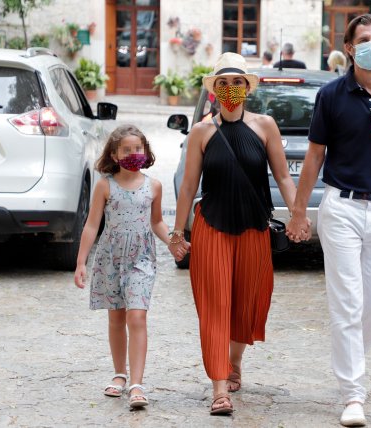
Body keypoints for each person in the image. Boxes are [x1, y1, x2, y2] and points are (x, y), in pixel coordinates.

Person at [287, 13, 371, 427]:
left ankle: (352, 366)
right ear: (348, 48)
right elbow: (314, 156)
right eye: (363, 38)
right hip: (342, 209)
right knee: (347, 302)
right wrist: (298, 211)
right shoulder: (331, 95)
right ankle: (353, 393)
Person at [169, 52, 302, 416]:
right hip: (212, 226)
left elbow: (284, 177)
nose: (230, 89)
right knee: (215, 307)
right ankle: (218, 389)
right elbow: (187, 188)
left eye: (236, 83)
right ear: (214, 90)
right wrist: (178, 233)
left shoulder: (265, 126)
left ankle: (234, 361)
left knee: (248, 304)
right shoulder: (201, 132)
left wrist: (297, 215)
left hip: (254, 227)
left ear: (247, 88)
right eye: (223, 84)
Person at [73, 124, 171, 408]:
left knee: (137, 316)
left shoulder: (154, 186)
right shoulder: (105, 185)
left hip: (141, 258)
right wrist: (81, 262)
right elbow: (92, 224)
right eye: (126, 150)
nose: (133, 154)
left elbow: (156, 223)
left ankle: (137, 384)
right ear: (115, 154)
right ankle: (120, 374)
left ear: (146, 151)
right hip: (110, 258)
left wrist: (173, 241)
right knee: (116, 318)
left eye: (137, 149)